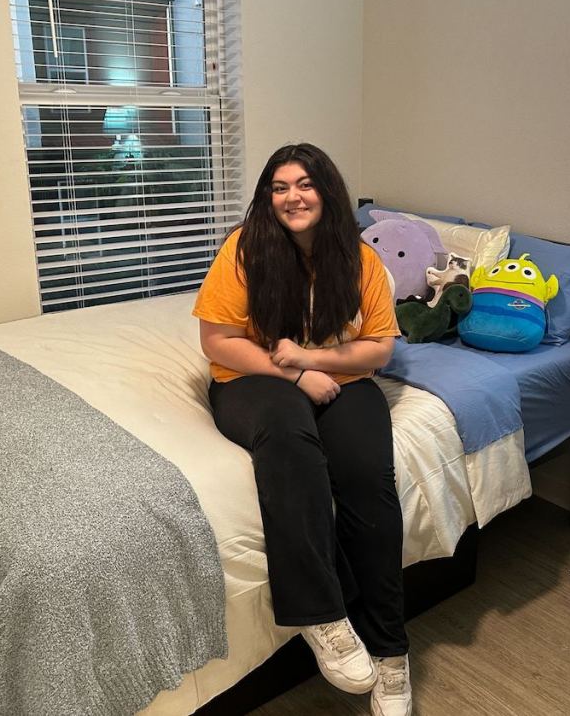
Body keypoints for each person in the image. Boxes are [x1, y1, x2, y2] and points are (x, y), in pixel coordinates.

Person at [193, 143, 412, 716]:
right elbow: (218, 341)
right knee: (289, 440)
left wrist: (314, 361)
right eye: (280, 187)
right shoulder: (245, 249)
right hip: (250, 376)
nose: (293, 197)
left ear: (327, 191)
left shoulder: (360, 261)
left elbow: (380, 348)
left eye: (305, 184)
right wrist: (293, 372)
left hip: (340, 377)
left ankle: (391, 653)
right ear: (269, 198)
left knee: (368, 480)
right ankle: (324, 614)